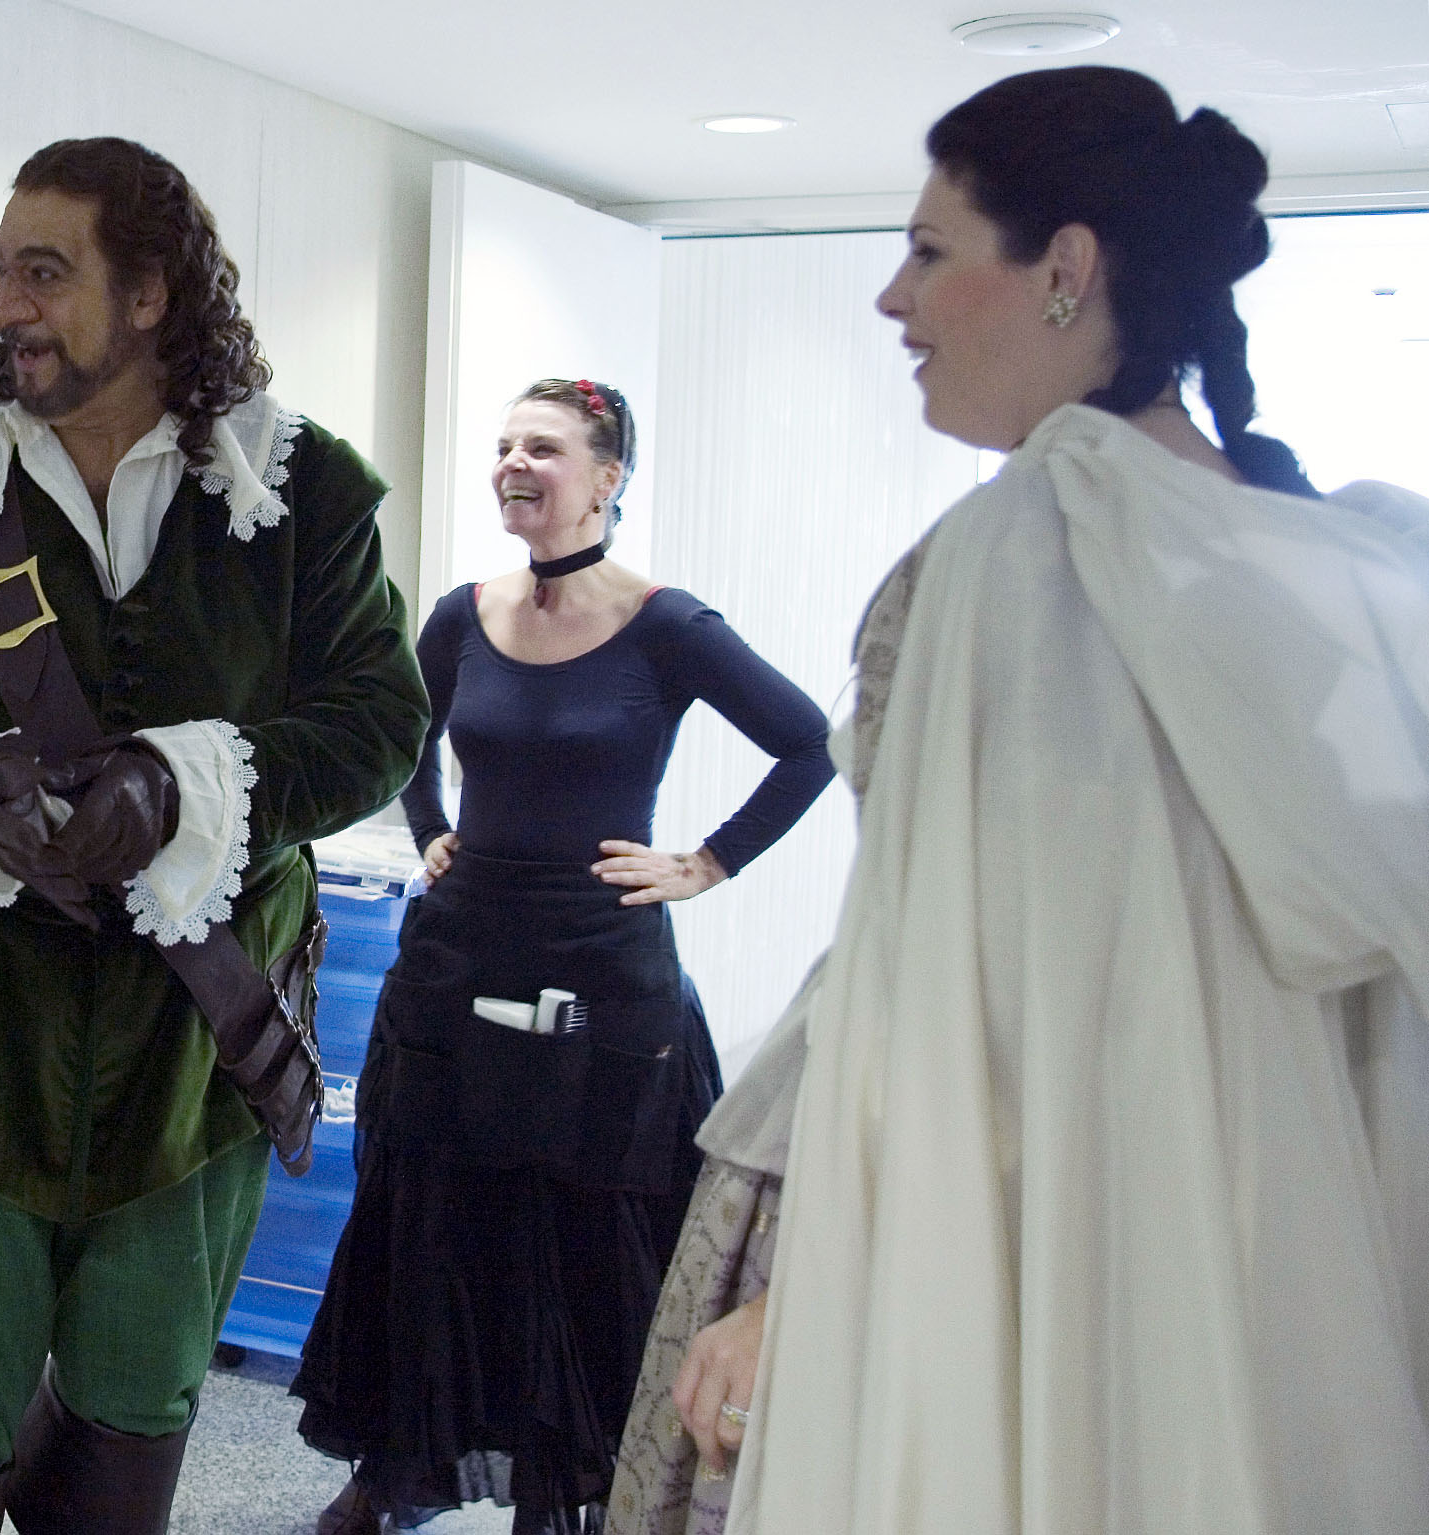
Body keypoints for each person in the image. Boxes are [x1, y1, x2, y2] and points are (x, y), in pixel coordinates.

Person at [610, 66, 1429, 1535]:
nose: (888, 300)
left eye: (928, 252)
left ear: (1064, 268)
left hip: (1032, 1257)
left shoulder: (1015, 555)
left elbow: (977, 1010)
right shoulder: (1331, 564)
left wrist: (819, 1290)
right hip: (1269, 1268)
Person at [0, 136, 428, 1535]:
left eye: (42, 273)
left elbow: (381, 719)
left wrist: (192, 780)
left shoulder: (303, 492)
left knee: (139, 1397)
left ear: (148, 295)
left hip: (194, 1049)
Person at [292, 377, 835, 1534]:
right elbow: (402, 736)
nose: (512, 464)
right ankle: (396, 1468)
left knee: (583, 1233)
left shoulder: (668, 624)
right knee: (432, 1210)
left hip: (601, 967)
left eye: (542, 447)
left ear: (607, 476)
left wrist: (705, 860)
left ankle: (565, 1489)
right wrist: (432, 831)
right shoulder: (459, 612)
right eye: (502, 446)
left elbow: (808, 744)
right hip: (459, 950)